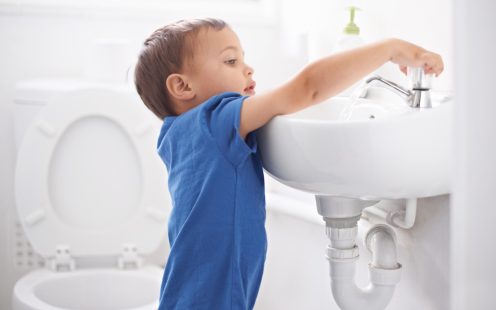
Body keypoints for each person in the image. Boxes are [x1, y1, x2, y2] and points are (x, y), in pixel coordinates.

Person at [134, 18, 444, 310]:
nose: (248, 69)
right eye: (231, 61)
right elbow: (308, 88)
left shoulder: (179, 133)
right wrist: (390, 49)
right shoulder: (214, 120)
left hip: (189, 290)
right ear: (182, 87)